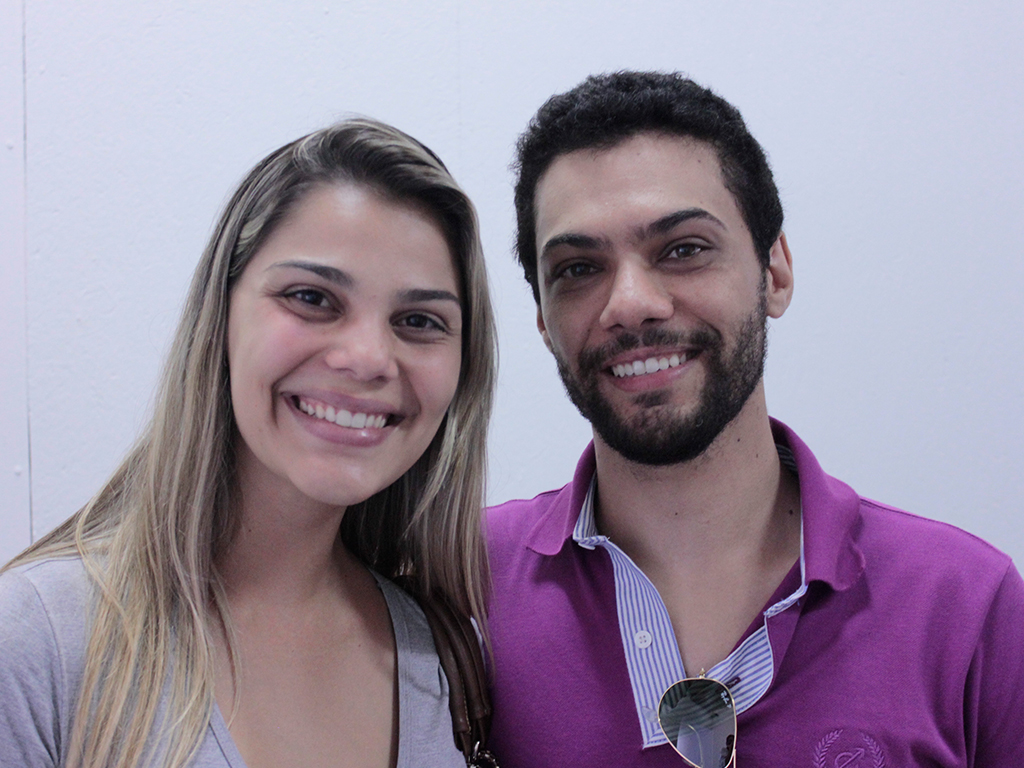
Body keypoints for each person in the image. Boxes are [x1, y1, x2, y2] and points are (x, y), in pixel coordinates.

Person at [485, 71, 1024, 766]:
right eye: (578, 269)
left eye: (683, 250)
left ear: (775, 272)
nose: (631, 303)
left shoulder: (966, 605)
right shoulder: (461, 588)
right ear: (541, 318)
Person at [0, 117, 496, 768]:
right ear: (222, 318)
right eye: (312, 297)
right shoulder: (38, 639)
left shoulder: (446, 652)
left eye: (419, 320)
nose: (369, 358)